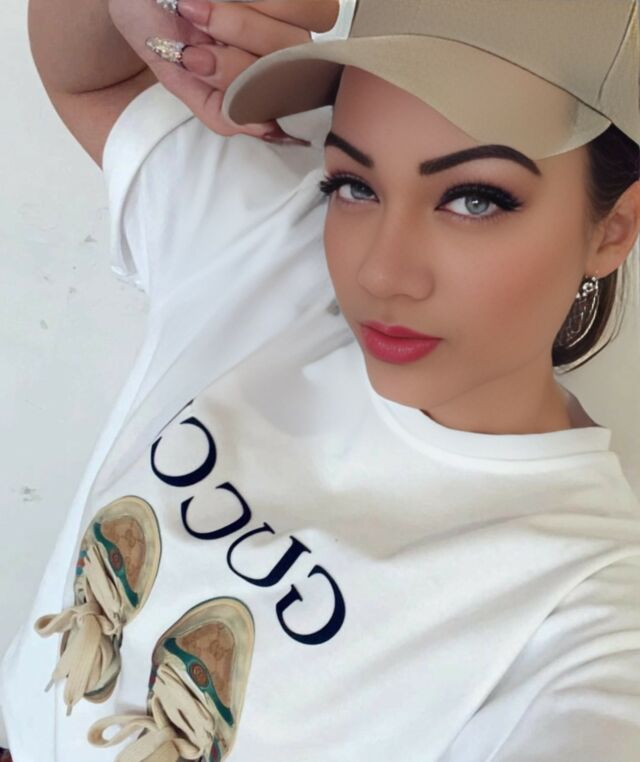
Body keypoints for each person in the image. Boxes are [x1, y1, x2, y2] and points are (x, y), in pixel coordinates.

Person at [3, 0, 640, 760]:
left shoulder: (584, 611)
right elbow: (90, 78)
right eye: (353, 184)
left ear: (614, 228)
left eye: (473, 200)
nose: (381, 273)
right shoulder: (272, 253)